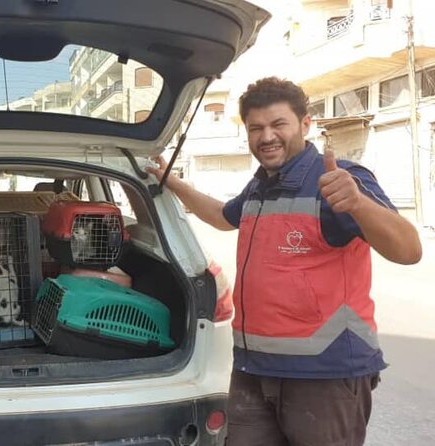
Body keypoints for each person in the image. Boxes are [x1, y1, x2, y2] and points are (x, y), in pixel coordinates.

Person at [147, 77, 422, 446]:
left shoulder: (340, 178)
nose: (267, 137)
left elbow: (408, 250)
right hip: (252, 368)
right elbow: (221, 216)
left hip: (323, 374)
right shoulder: (261, 184)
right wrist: (172, 181)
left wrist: (357, 203)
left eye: (279, 124)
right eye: (256, 128)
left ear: (305, 124)